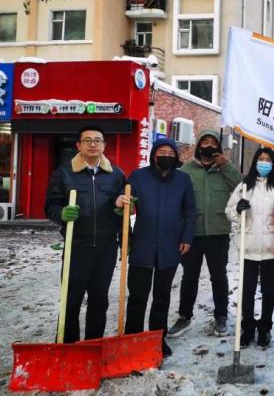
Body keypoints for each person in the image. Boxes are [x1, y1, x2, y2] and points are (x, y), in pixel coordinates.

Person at [45, 126, 126, 343]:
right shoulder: (63, 174)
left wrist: (120, 209)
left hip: (105, 248)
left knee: (99, 301)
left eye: (97, 140)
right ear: (78, 145)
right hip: (76, 246)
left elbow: (122, 210)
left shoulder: (116, 175)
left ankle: (93, 345)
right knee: (71, 300)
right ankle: (68, 345)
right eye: (87, 140)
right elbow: (51, 206)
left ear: (104, 146)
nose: (93, 144)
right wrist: (61, 214)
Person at [118, 138, 196, 357]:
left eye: (171, 153)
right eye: (162, 152)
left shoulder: (183, 180)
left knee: (162, 298)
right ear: (153, 155)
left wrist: (187, 238)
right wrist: (125, 234)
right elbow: (126, 209)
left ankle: (156, 339)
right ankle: (132, 337)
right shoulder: (138, 177)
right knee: (137, 296)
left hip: (170, 246)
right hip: (142, 245)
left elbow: (190, 211)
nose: (167, 156)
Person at [167, 130, 242, 338]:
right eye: (204, 142)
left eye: (212, 142)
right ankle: (184, 316)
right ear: (198, 145)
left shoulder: (224, 169)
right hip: (191, 232)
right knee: (189, 276)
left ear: (218, 147)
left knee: (219, 276)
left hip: (218, 231)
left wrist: (225, 165)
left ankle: (221, 316)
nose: (208, 145)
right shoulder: (186, 170)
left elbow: (241, 187)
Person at [225, 147, 274, 348]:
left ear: (273, 164)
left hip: (271, 246)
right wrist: (237, 210)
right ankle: (247, 327)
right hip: (248, 245)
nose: (264, 163)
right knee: (247, 290)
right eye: (261, 159)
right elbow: (229, 209)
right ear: (255, 162)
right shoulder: (244, 185)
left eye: (268, 160)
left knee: (268, 290)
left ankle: (265, 328)